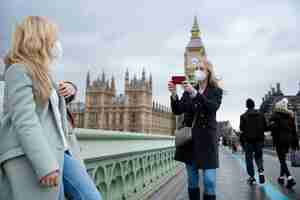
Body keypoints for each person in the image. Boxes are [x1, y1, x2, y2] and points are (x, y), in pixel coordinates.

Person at [0, 16, 102, 200]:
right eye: (53, 38)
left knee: (91, 196)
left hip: (62, 150)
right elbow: (25, 121)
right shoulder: (17, 71)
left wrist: (71, 88)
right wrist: (45, 165)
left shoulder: (42, 73)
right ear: (40, 39)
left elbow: (51, 106)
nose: (56, 44)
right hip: (37, 155)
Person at [168, 60, 223, 200]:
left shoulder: (216, 91)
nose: (198, 71)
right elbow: (177, 110)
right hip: (190, 140)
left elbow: (212, 108)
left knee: (209, 181)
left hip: (207, 140)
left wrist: (195, 93)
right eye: (196, 68)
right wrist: (174, 94)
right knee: (192, 180)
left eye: (201, 68)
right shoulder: (188, 90)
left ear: (208, 72)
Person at [269, 98, 299, 189]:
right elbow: (294, 130)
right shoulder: (290, 116)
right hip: (288, 140)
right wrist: (296, 143)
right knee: (283, 158)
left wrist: (271, 126)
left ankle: (290, 178)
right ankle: (281, 177)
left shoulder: (275, 116)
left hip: (279, 140)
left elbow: (272, 128)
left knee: (281, 160)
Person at [239, 98, 268, 185]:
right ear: (254, 105)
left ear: (246, 106)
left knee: (249, 159)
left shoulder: (243, 116)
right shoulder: (261, 115)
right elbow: (265, 127)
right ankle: (261, 171)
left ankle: (252, 177)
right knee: (259, 157)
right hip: (259, 140)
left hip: (248, 141)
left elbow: (241, 128)